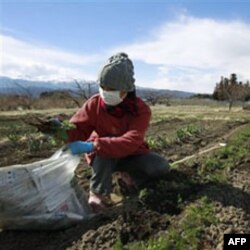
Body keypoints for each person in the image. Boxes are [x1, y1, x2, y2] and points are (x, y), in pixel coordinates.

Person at [65, 52, 169, 212]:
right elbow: (77, 130)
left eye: (111, 89)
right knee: (105, 150)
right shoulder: (94, 104)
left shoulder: (140, 110)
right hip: (102, 159)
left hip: (130, 154)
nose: (105, 92)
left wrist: (92, 145)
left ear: (125, 90)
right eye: (103, 87)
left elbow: (131, 141)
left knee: (160, 166)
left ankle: (130, 177)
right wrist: (60, 131)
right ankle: (98, 194)